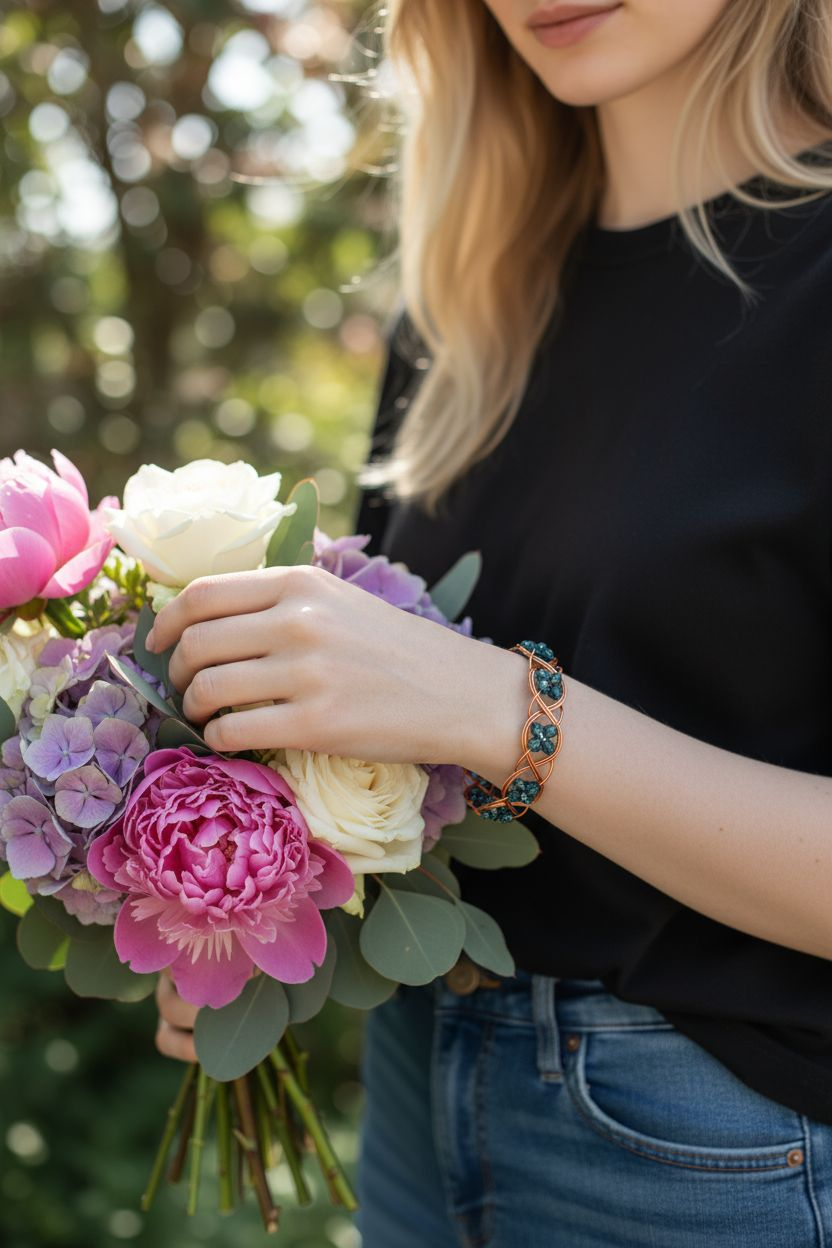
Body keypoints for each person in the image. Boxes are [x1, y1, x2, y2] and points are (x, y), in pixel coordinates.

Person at [152, 0, 832, 1242]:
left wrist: (498, 712)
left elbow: (461, 707)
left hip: (724, 1134)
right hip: (424, 1074)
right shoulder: (469, 301)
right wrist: (246, 908)